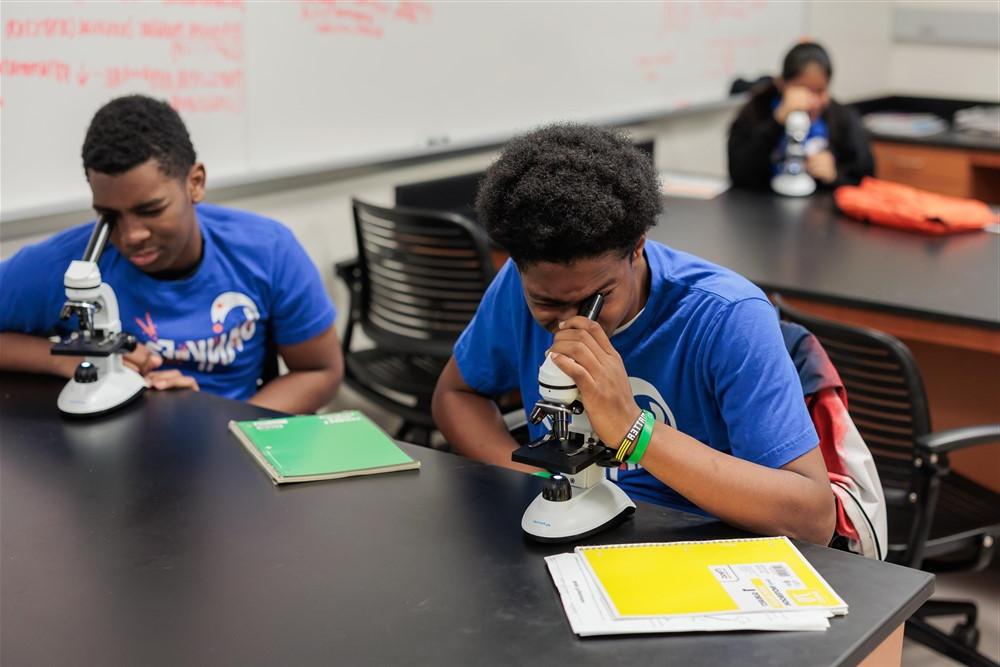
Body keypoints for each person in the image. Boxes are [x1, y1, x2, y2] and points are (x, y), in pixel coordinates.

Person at [432, 124, 835, 545]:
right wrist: (533, 481)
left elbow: (812, 519)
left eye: (596, 299)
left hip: (692, 545)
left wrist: (634, 431)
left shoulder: (729, 318)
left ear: (638, 246)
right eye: (548, 305)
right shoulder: (517, 288)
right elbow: (455, 395)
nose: (574, 326)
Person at [0, 95, 342, 413]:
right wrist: (66, 361)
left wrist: (226, 425)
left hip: (228, 440)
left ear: (195, 183)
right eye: (110, 215)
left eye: (151, 209)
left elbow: (319, 371)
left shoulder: (267, 251)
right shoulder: (67, 263)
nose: (132, 235)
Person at [728, 41, 874, 191]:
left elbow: (866, 177)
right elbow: (739, 173)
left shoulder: (843, 118)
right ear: (781, 83)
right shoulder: (756, 110)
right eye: (802, 89)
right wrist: (777, 121)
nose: (812, 102)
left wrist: (836, 176)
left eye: (820, 91)